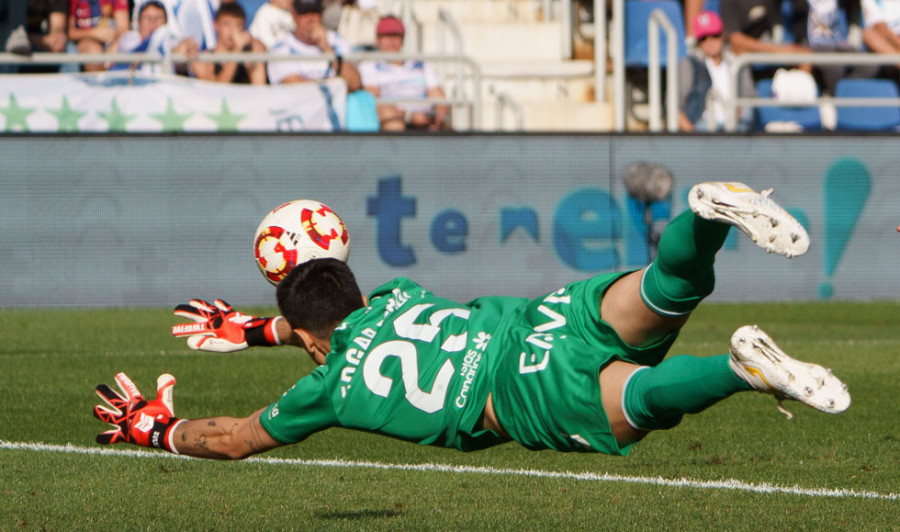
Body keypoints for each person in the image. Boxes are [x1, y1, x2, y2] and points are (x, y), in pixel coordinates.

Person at [94, 182, 850, 459]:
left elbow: (232, 439)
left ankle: (738, 370)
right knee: (666, 288)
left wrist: (156, 428)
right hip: (541, 319)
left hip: (519, 392)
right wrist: (256, 330)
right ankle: (708, 216)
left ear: (314, 341)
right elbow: (325, 324)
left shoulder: (327, 391)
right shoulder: (395, 296)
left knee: (639, 404)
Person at [359, 16, 450, 131]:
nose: (392, 42)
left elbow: (439, 97)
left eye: (396, 36)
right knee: (392, 121)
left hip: (425, 119)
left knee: (444, 129)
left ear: (402, 38)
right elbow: (374, 101)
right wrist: (410, 116)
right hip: (395, 119)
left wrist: (438, 118)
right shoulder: (369, 65)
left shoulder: (420, 64)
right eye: (387, 36)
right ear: (377, 39)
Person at [679, 11, 756, 132]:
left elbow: (749, 96)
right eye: (703, 38)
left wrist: (742, 107)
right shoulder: (690, 64)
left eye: (714, 35)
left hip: (735, 124)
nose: (710, 42)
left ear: (722, 35)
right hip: (702, 125)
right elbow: (674, 104)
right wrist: (691, 133)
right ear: (698, 42)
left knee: (747, 112)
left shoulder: (736, 62)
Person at [266, 0, 361, 90]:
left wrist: (327, 49)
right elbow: (293, 86)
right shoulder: (281, 48)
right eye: (304, 12)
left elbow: (355, 83)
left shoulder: (337, 41)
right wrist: (338, 85)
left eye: (315, 12)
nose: (310, 19)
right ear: (293, 14)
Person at [110, 1, 199, 75]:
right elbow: (140, 51)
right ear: (139, 22)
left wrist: (187, 47)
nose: (153, 22)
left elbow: (176, 48)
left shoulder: (170, 39)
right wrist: (173, 52)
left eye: (158, 17)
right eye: (148, 17)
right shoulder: (128, 38)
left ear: (166, 22)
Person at [192, 3, 267, 85]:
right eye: (227, 24)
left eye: (238, 25)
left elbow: (259, 89)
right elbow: (215, 90)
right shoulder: (204, 59)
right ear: (216, 25)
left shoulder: (249, 54)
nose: (232, 31)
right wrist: (236, 51)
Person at [67, 0, 130, 72]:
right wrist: (93, 33)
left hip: (112, 42)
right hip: (85, 41)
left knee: (123, 48)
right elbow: (70, 33)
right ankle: (100, 82)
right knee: (94, 53)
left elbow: (123, 29)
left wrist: (115, 46)